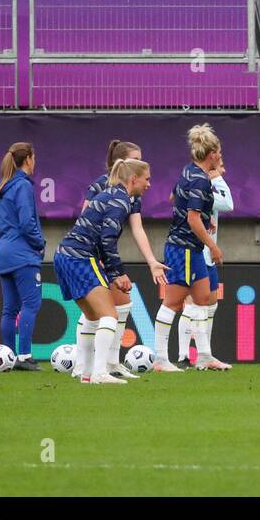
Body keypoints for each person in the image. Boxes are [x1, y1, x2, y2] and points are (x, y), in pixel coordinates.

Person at [53, 158, 154, 385]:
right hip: (79, 257)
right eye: (147, 179)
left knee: (91, 316)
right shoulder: (120, 201)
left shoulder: (112, 195)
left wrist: (111, 273)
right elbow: (107, 239)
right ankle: (100, 372)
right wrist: (118, 273)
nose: (149, 184)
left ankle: (86, 373)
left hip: (63, 255)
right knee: (110, 315)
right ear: (133, 178)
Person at [76, 140, 166, 378]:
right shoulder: (100, 186)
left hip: (104, 254)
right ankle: (84, 366)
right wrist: (101, 259)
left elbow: (137, 229)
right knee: (95, 310)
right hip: (91, 256)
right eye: (134, 159)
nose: (140, 164)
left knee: (122, 303)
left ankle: (110, 363)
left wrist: (151, 261)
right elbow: (85, 220)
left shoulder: (132, 194)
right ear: (121, 163)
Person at [153, 125, 229, 372]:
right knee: (173, 302)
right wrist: (213, 246)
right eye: (218, 152)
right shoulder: (201, 180)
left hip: (190, 248)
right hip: (184, 247)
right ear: (211, 155)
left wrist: (207, 217)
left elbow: (174, 198)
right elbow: (192, 219)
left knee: (203, 299)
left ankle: (204, 356)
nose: (220, 156)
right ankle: (161, 359)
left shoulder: (188, 171)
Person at [0, 142, 45, 371]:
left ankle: (8, 357)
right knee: (31, 304)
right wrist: (39, 243)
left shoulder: (1, 186)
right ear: (29, 159)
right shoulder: (22, 186)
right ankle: (24, 356)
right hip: (22, 254)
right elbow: (26, 222)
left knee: (9, 308)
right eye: (34, 157)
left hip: (3, 253)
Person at [179, 156, 234, 367]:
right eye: (220, 166)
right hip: (196, 250)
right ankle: (183, 356)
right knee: (192, 303)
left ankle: (205, 354)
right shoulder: (201, 185)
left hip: (207, 253)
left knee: (210, 303)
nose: (224, 170)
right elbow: (227, 203)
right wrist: (217, 178)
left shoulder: (206, 185)